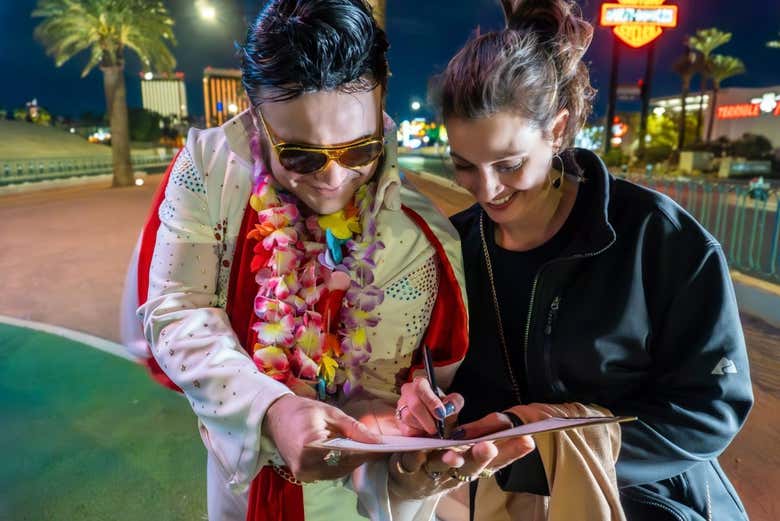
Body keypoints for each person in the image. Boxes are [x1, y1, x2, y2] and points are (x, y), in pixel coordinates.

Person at [121, 1, 534, 520]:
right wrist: (270, 409)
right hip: (240, 485)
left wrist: (411, 434)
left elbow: (389, 395)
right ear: (256, 115)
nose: (334, 179)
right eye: (300, 156)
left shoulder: (420, 238)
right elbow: (176, 309)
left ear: (381, 96)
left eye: (359, 150)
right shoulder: (209, 169)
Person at [396, 0, 754, 520]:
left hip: (645, 505)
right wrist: (427, 400)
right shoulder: (455, 249)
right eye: (464, 166)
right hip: (500, 503)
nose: (487, 189)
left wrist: (552, 446)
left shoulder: (658, 240)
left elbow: (711, 410)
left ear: (558, 130)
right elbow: (446, 384)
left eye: (509, 163)